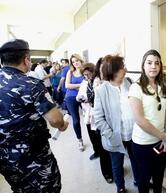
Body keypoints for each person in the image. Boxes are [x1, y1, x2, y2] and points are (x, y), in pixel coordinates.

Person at [0, 39, 68, 193]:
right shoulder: (30, 84)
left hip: (6, 161)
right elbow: (56, 119)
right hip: (34, 158)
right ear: (26, 59)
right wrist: (63, 125)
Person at [128, 49, 166, 193]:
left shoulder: (164, 87)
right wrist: (163, 136)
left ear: (160, 66)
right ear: (143, 66)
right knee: (144, 180)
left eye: (157, 63)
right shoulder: (136, 87)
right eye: (149, 63)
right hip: (143, 144)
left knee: (159, 177)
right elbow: (139, 119)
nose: (153, 66)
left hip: (161, 142)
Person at [94, 55, 138, 193]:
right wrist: (110, 135)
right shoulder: (101, 90)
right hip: (115, 136)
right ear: (114, 71)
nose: (125, 69)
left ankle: (138, 180)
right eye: (122, 67)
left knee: (136, 160)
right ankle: (120, 187)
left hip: (134, 133)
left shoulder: (129, 83)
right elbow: (98, 118)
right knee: (117, 164)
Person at [76, 62, 113, 183]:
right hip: (90, 117)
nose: (86, 77)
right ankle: (107, 173)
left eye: (88, 74)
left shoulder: (100, 82)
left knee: (108, 147)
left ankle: (113, 169)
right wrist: (81, 98)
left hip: (102, 117)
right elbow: (79, 96)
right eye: (84, 75)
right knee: (100, 147)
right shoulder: (85, 83)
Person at [65, 54, 84, 151]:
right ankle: (79, 140)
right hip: (71, 97)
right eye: (73, 61)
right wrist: (80, 85)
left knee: (89, 118)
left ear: (80, 60)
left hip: (83, 97)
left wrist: (77, 86)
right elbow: (67, 85)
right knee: (76, 120)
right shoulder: (70, 72)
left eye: (77, 60)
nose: (75, 63)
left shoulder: (85, 71)